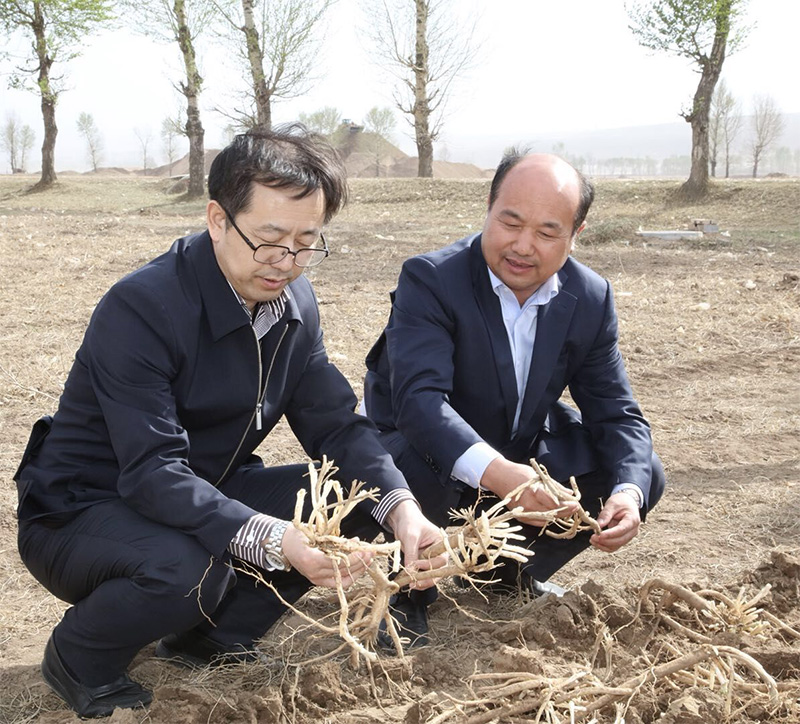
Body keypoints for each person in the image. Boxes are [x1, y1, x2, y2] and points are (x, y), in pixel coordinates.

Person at [14, 126, 443, 718]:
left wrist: (402, 509)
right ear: (217, 219)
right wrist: (274, 538)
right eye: (269, 241)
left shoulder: (295, 303)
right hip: (84, 510)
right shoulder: (142, 307)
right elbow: (151, 472)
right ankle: (80, 655)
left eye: (306, 243)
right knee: (191, 571)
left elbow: (336, 427)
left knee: (348, 498)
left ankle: (211, 636)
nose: (287, 263)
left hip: (201, 486)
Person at [363, 149, 666, 646]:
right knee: (415, 463)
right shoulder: (431, 279)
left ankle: (505, 573)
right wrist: (504, 476)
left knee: (638, 469)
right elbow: (420, 404)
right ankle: (407, 589)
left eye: (547, 232)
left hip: (516, 444)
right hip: (418, 446)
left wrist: (628, 495)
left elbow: (616, 413)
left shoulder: (589, 297)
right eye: (510, 222)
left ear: (576, 233)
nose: (523, 246)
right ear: (488, 208)